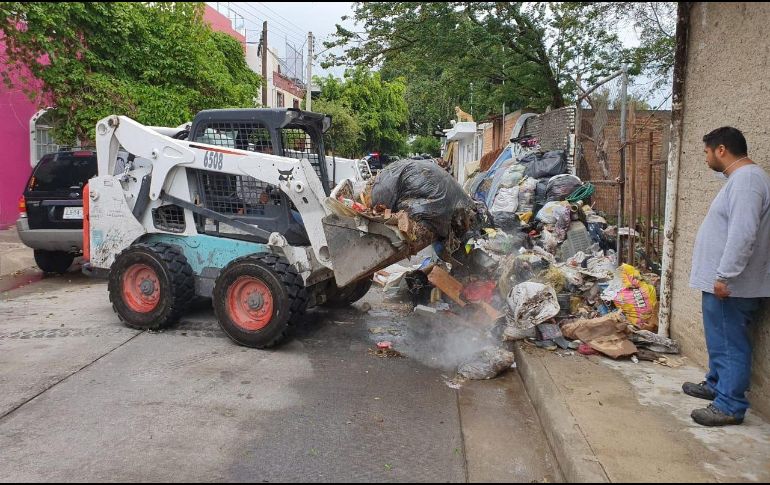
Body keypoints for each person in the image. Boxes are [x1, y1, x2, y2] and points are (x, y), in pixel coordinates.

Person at [684, 126, 770, 426]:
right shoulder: (741, 180)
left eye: (707, 152)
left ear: (721, 149)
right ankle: (717, 385)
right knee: (720, 338)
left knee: (730, 342)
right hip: (726, 283)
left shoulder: (747, 182)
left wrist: (725, 276)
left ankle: (730, 404)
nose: (705, 158)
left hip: (731, 285)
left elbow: (743, 235)